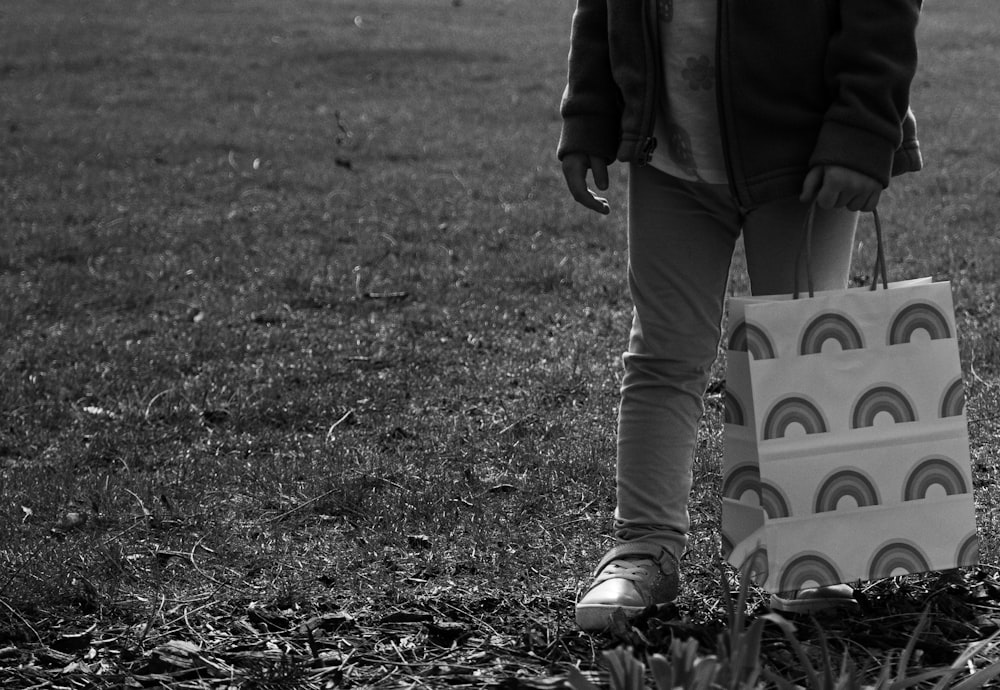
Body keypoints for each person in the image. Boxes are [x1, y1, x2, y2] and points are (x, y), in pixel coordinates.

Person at [558, 0, 923, 632]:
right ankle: (644, 548)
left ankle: (806, 551)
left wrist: (865, 130)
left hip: (810, 155)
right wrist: (589, 116)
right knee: (663, 356)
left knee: (803, 357)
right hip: (669, 155)